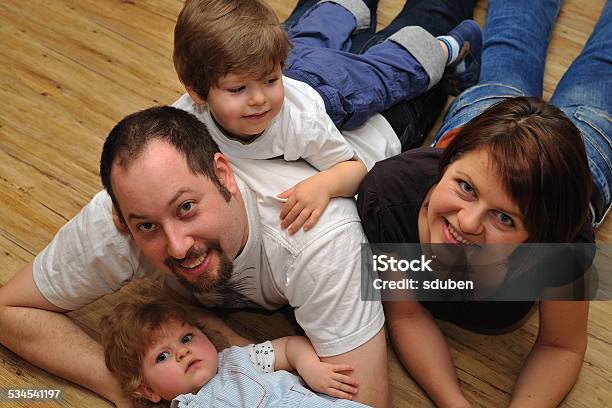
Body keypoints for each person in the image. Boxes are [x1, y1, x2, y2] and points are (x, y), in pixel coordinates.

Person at [0, 2, 478, 407]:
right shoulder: (131, 207)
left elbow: (362, 401)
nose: (176, 244)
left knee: (427, 22)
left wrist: (232, 373)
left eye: (186, 208)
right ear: (123, 220)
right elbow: (8, 310)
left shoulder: (319, 240)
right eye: (145, 225)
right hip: (289, 91)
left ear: (223, 173)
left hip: (372, 119)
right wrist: (134, 391)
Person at [357, 0, 611, 406]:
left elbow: (561, 346)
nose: (468, 222)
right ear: (447, 162)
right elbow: (406, 314)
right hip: (492, 128)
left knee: (604, 62)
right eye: (465, 188)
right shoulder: (389, 200)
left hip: (584, 155)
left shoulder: (562, 245)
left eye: (504, 218)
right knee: (511, 43)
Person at [172, 0, 482, 234]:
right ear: (197, 93)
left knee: (386, 75)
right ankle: (344, 8)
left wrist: (325, 185)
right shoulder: (185, 115)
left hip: (331, 86)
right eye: (238, 89)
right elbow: (148, 144)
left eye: (269, 81)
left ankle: (450, 47)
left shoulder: (302, 124)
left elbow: (352, 167)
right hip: (297, 60)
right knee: (309, 35)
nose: (259, 99)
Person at [101, 287, 369, 408]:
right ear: (148, 390)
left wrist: (312, 369)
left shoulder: (241, 359)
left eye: (186, 338)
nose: (182, 352)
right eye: (162, 356)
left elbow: (289, 347)